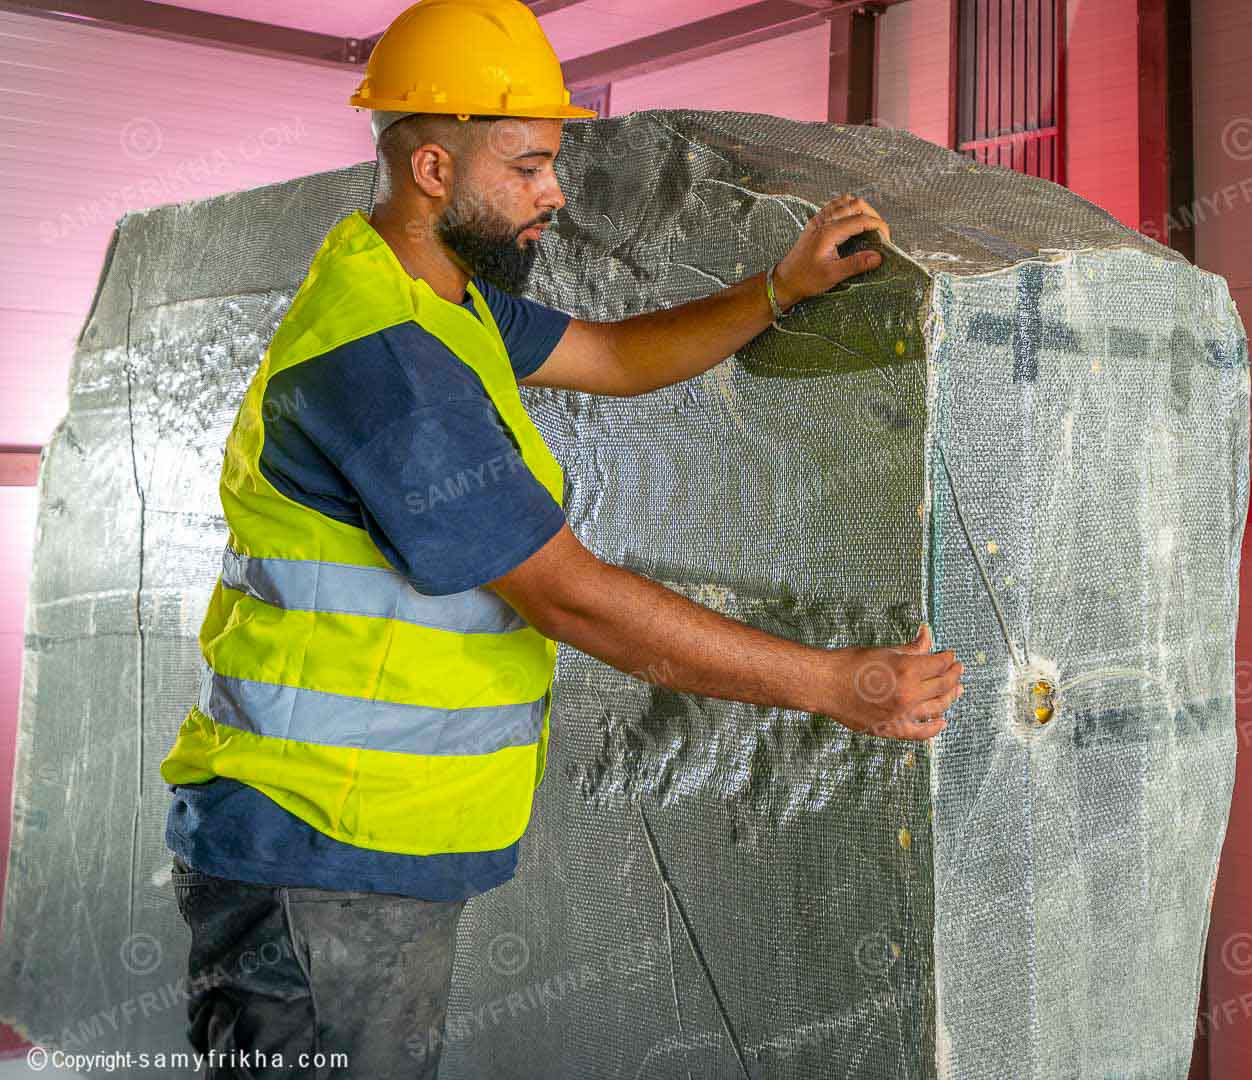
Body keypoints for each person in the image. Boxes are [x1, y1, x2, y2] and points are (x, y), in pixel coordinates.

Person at [158, 1, 963, 1076]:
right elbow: (571, 596)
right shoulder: (386, 360)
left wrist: (778, 289)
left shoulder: (445, 302)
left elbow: (618, 358)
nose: (556, 192)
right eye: (530, 166)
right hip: (316, 850)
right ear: (436, 168)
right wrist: (834, 686)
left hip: (369, 844)